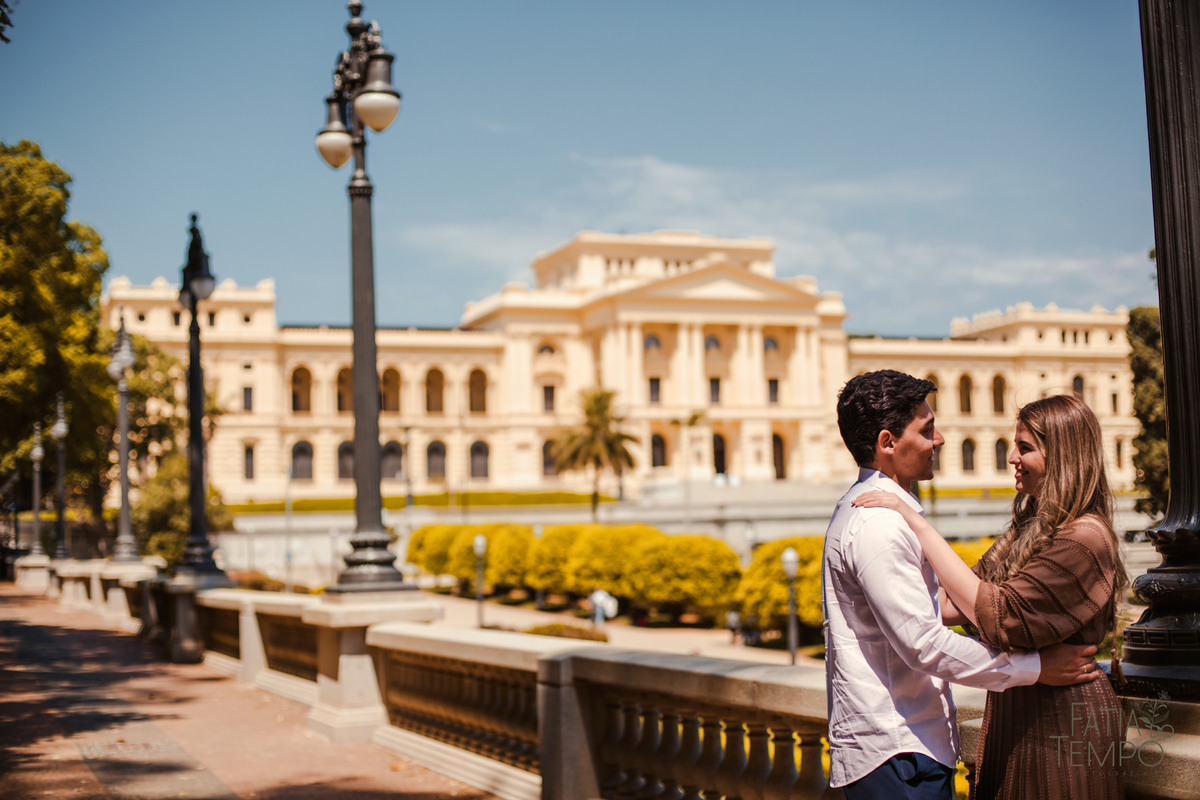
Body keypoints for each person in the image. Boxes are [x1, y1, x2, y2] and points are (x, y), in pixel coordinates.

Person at [823, 371, 1101, 800]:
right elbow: (925, 643)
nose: (940, 440)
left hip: (901, 748)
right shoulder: (880, 522)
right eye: (927, 428)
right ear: (887, 443)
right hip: (899, 753)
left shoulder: (875, 513)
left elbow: (950, 603)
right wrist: (1036, 668)